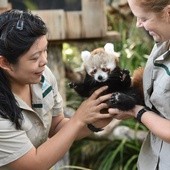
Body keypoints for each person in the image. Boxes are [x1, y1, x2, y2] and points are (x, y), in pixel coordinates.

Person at [0, 9, 113, 170]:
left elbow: (57, 126)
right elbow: (33, 164)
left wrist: (95, 121)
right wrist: (78, 119)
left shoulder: (42, 76)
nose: (44, 61)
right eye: (34, 57)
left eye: (45, 50)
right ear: (5, 63)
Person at [108, 0, 170, 169]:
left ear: (168, 13)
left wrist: (136, 111)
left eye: (143, 18)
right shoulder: (163, 43)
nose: (138, 24)